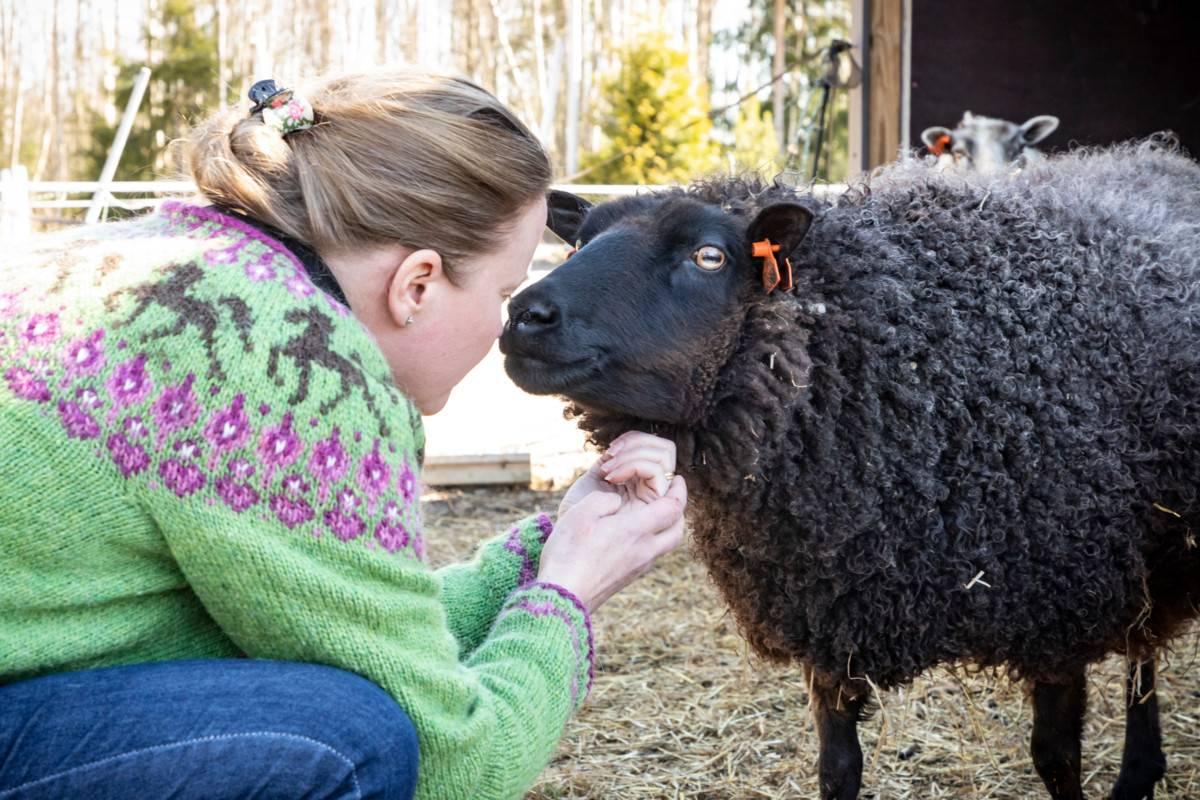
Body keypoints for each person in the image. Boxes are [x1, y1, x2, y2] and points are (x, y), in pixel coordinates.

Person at [0, 70, 687, 800]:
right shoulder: (293, 361)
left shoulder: (183, 267)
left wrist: (543, 554)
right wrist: (568, 596)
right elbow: (456, 767)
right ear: (416, 283)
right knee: (343, 741)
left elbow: (354, 636)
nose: (499, 324)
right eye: (504, 293)